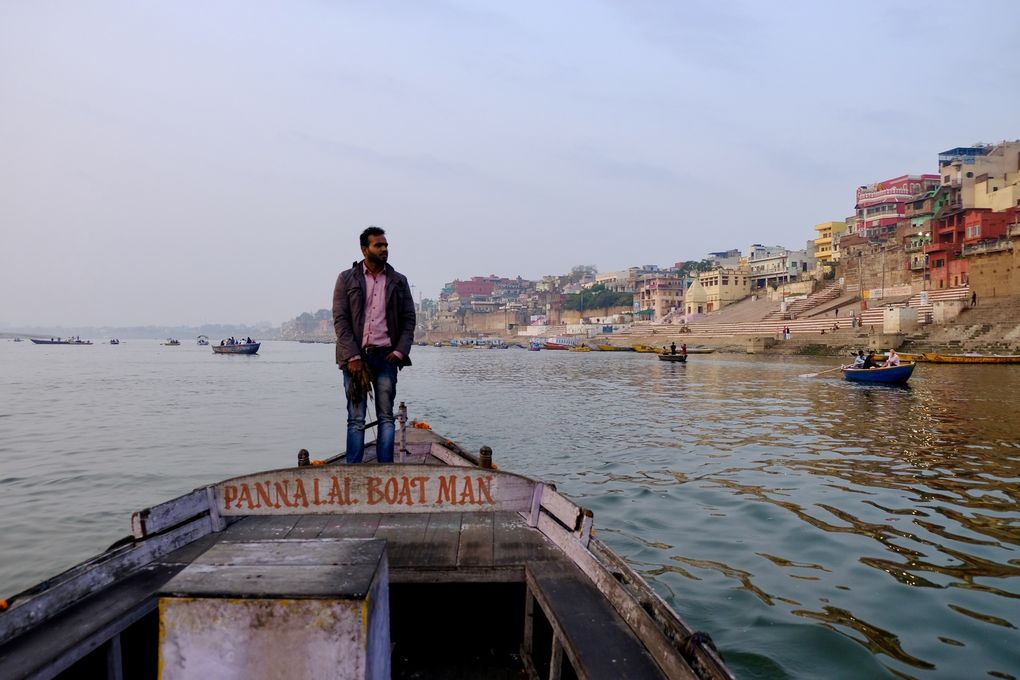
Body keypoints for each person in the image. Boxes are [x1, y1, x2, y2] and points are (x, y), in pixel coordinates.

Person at [333, 226, 416, 464]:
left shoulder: (399, 281)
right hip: (355, 359)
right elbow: (341, 320)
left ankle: (385, 470)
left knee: (386, 417)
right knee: (356, 418)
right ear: (364, 249)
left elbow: (409, 319)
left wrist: (400, 351)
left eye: (386, 245)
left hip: (386, 357)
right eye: (378, 245)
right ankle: (353, 470)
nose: (384, 249)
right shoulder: (346, 279)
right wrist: (353, 357)